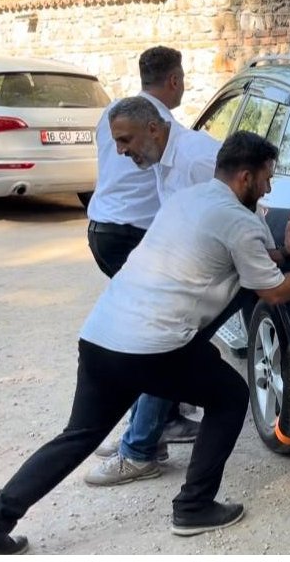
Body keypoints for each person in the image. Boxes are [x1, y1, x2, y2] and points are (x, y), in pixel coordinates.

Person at [0, 132, 290, 554]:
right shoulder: (239, 221)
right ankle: (193, 506)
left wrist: (281, 252)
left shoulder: (188, 200)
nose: (269, 187)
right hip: (152, 347)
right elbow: (275, 291)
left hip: (101, 336)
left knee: (78, 436)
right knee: (230, 397)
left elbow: (231, 259)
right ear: (245, 177)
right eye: (266, 177)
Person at [84, 96, 290, 486]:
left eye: (125, 140)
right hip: (198, 273)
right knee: (164, 350)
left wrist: (282, 254)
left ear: (153, 129)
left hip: (215, 275)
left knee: (169, 349)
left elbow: (242, 219)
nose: (120, 151)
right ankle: (145, 438)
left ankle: (139, 448)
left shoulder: (197, 161)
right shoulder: (162, 157)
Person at [85, 47, 196, 470]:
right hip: (133, 234)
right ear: (173, 80)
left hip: (102, 229)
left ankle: (157, 423)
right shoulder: (162, 127)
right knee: (160, 336)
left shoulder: (114, 113)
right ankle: (143, 439)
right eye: (182, 79)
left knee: (145, 330)